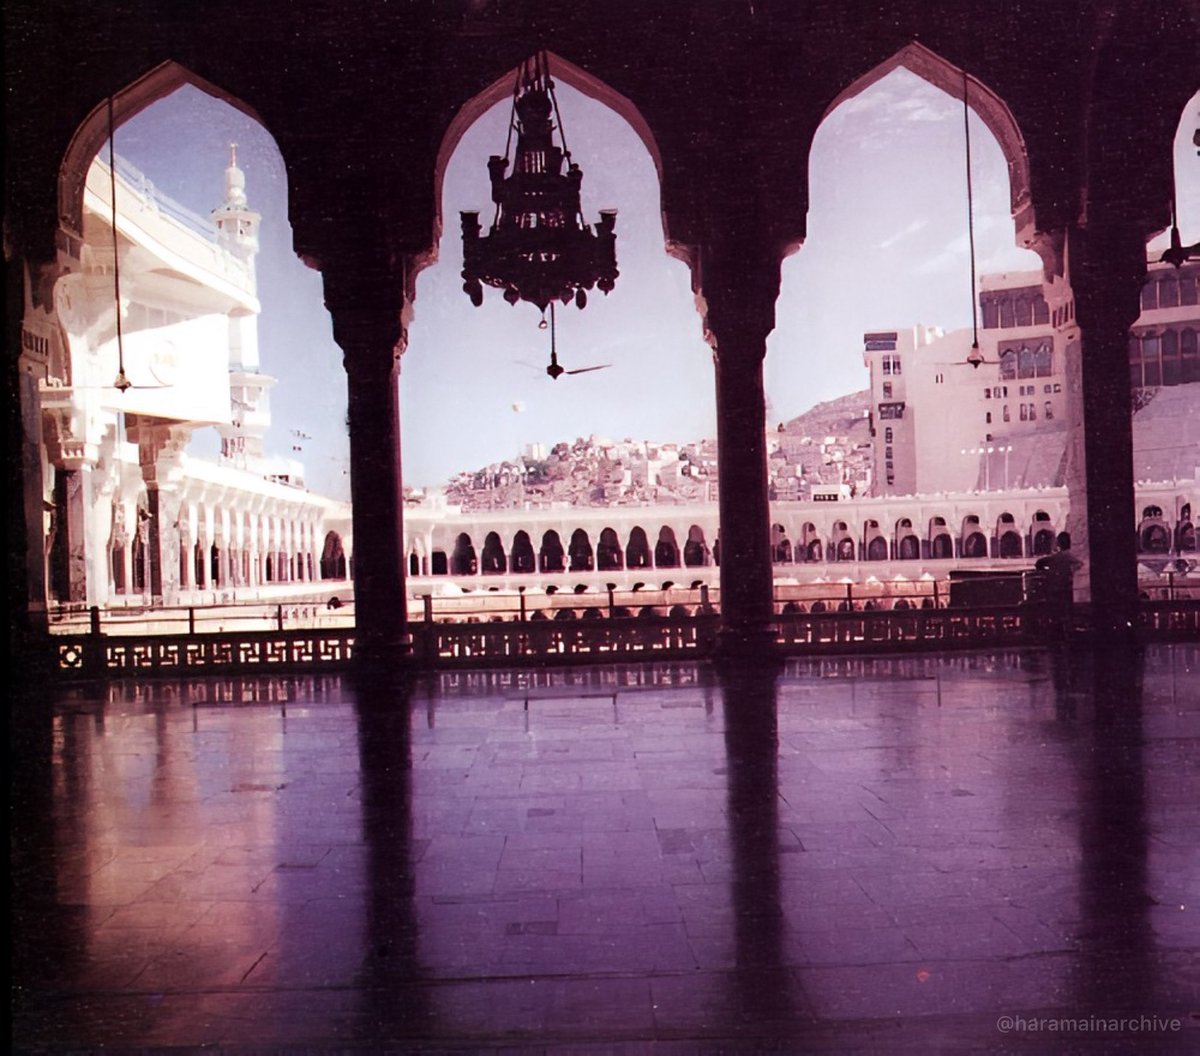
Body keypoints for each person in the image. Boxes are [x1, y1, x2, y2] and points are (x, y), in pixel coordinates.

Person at [1035, 531, 1081, 615]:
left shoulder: (1056, 557)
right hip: (1068, 588)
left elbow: (1039, 563)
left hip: (1056, 589)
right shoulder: (1072, 557)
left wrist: (1047, 572)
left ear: (1059, 543)